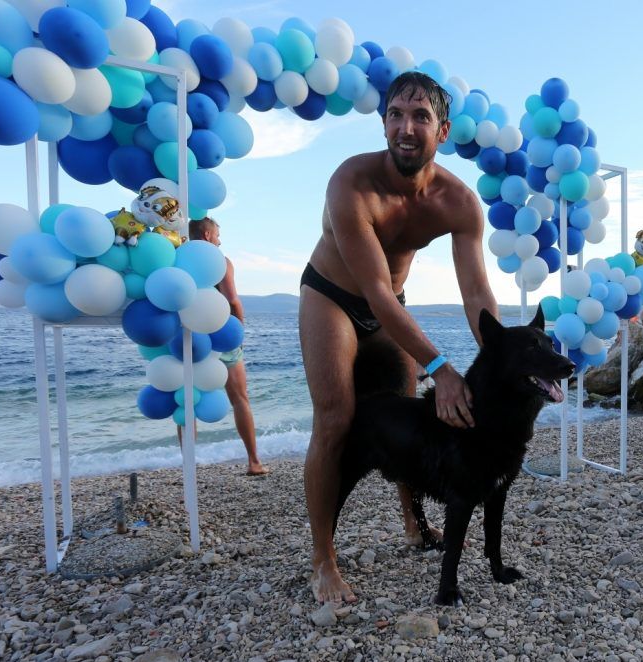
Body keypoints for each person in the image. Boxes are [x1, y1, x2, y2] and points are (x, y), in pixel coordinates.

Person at [299, 72, 499, 605]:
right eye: (395, 115)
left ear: (444, 130)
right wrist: (442, 368)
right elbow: (377, 295)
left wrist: (498, 361)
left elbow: (476, 294)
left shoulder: (457, 202)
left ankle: (413, 522)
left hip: (392, 303)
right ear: (383, 121)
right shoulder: (351, 183)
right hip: (334, 298)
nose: (405, 128)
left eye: (420, 117)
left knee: (407, 415)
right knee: (338, 417)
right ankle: (323, 559)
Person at [187, 217, 268, 477]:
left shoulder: (179, 257)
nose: (220, 240)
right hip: (221, 334)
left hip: (190, 335)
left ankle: (188, 467)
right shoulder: (219, 261)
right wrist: (239, 332)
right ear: (208, 234)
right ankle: (254, 462)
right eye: (218, 235)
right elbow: (233, 300)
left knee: (186, 402)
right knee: (240, 399)